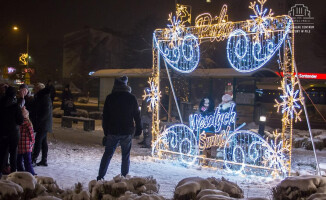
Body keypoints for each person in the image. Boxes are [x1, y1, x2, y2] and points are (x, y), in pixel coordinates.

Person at [97, 76, 142, 181]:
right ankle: (124, 178)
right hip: (127, 131)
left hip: (112, 131)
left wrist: (106, 131)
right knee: (125, 156)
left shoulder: (110, 98)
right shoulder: (132, 98)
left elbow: (106, 117)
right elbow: (137, 115)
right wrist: (138, 129)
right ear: (126, 85)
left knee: (107, 154)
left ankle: (100, 177)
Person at [0, 86, 24, 178]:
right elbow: (20, 121)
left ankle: (1, 171)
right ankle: (13, 172)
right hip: (13, 133)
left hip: (2, 132)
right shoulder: (15, 106)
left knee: (2, 152)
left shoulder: (1, 103)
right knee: (13, 152)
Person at [31, 83, 53, 167]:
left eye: (36, 89)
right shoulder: (42, 97)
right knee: (43, 142)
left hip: (43, 124)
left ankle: (34, 159)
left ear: (39, 89)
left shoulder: (44, 98)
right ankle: (44, 160)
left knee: (38, 141)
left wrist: (38, 121)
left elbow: (45, 113)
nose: (34, 90)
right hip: (44, 124)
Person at [17, 107, 36, 175]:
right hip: (27, 146)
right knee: (28, 161)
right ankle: (30, 173)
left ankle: (20, 171)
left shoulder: (18, 123)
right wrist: (32, 142)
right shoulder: (28, 124)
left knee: (19, 160)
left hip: (19, 146)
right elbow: (31, 135)